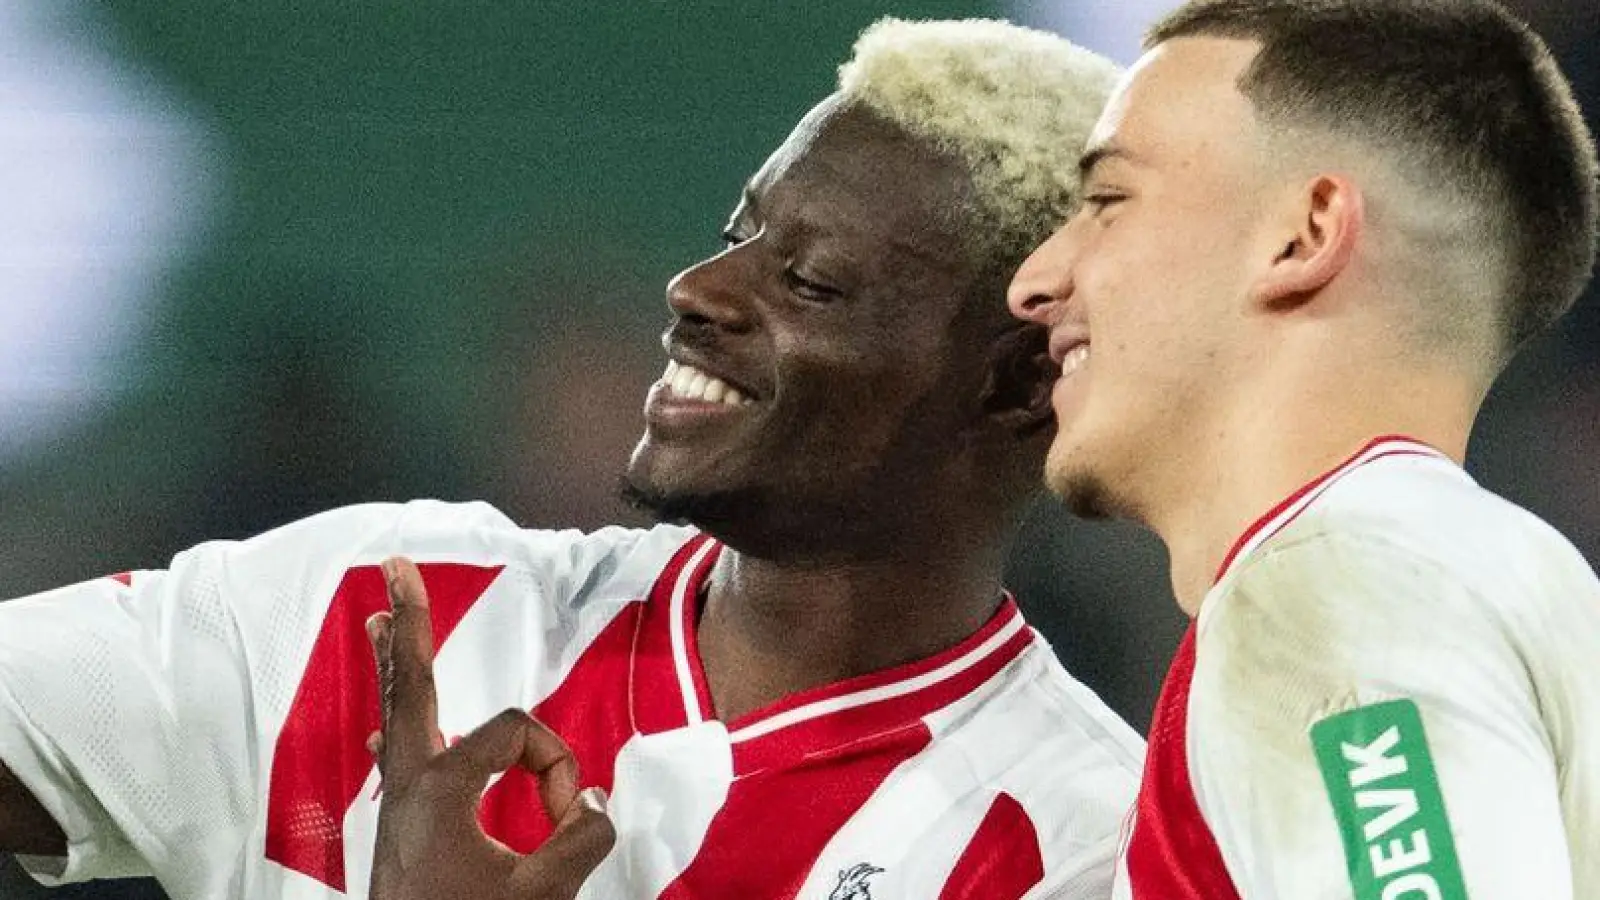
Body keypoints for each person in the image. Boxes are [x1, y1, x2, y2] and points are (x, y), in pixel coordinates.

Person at [0, 18, 1144, 900]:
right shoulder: (384, 616)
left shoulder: (1079, 846)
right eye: (740, 234)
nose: (698, 292)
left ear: (1015, 384)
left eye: (809, 283)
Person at [1006, 0, 1600, 897]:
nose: (1036, 279)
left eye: (1106, 201)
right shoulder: (1502, 577)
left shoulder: (1337, 585)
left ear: (1306, 235)